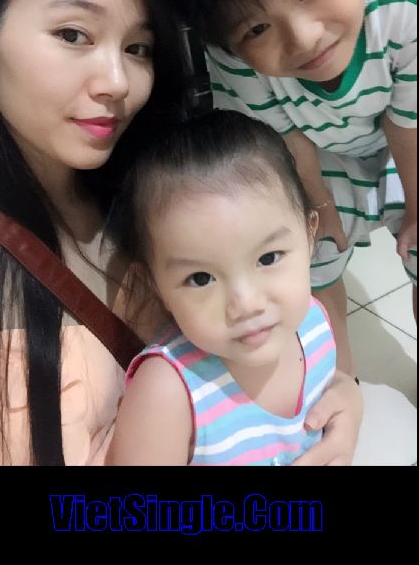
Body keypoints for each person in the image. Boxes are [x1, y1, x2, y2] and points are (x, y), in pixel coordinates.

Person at [0, 0, 362, 467]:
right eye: (73, 34)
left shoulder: (154, 188)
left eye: (137, 47)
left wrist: (341, 399)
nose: (117, 81)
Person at [143, 0, 417, 376]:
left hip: (409, 139)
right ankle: (338, 385)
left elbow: (409, 125)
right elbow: (285, 138)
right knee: (305, 256)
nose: (305, 37)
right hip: (317, 151)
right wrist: (318, 207)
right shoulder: (230, 59)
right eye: (257, 28)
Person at [107, 110, 338, 465]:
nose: (246, 304)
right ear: (156, 286)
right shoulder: (168, 392)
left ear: (309, 236)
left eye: (268, 258)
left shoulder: (313, 323)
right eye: (201, 278)